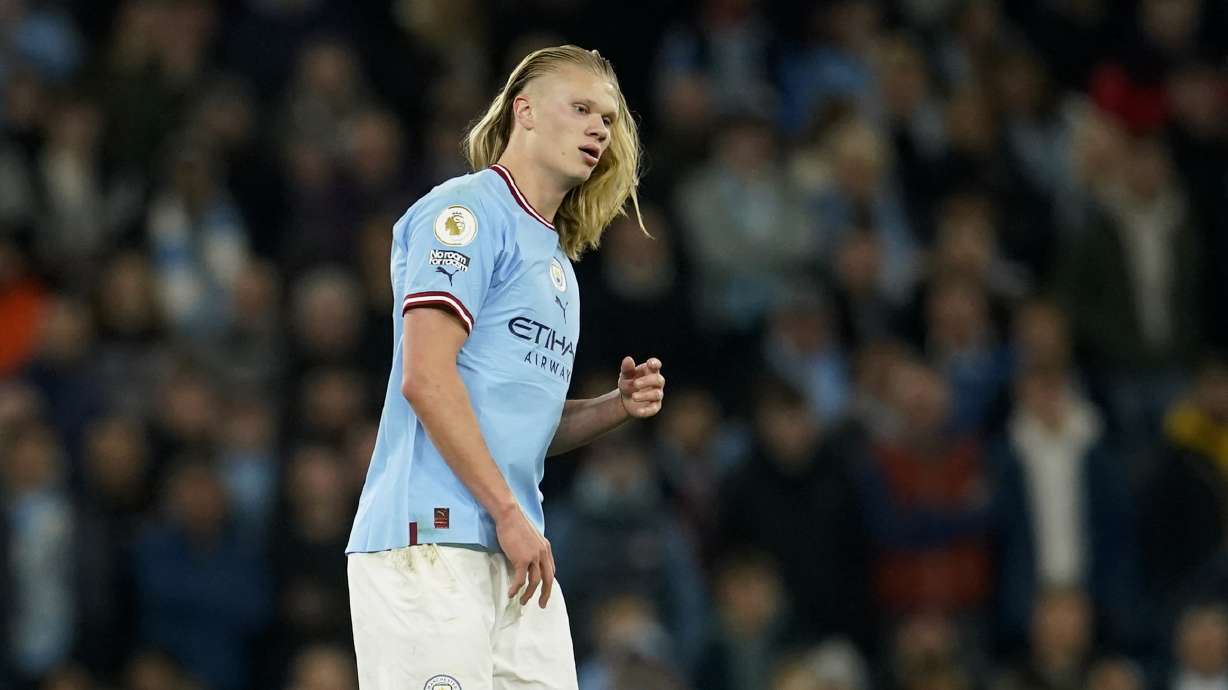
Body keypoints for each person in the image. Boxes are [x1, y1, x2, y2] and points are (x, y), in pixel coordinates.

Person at [345, 45, 665, 690]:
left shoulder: (559, 266)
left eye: (607, 117)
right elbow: (426, 378)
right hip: (429, 542)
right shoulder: (463, 213)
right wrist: (510, 516)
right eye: (581, 108)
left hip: (514, 554)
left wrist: (610, 409)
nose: (599, 128)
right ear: (525, 111)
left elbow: (517, 421)